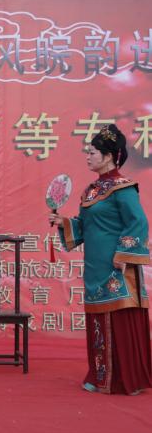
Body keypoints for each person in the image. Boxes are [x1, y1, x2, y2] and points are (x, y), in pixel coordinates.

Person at [49, 124, 150, 395]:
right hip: (95, 267)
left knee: (119, 320)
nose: (88, 157)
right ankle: (100, 376)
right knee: (98, 323)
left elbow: (138, 223)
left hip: (117, 267)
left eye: (92, 152)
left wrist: (124, 255)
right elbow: (84, 227)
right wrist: (63, 222)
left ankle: (126, 379)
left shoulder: (123, 188)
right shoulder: (91, 191)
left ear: (109, 156)